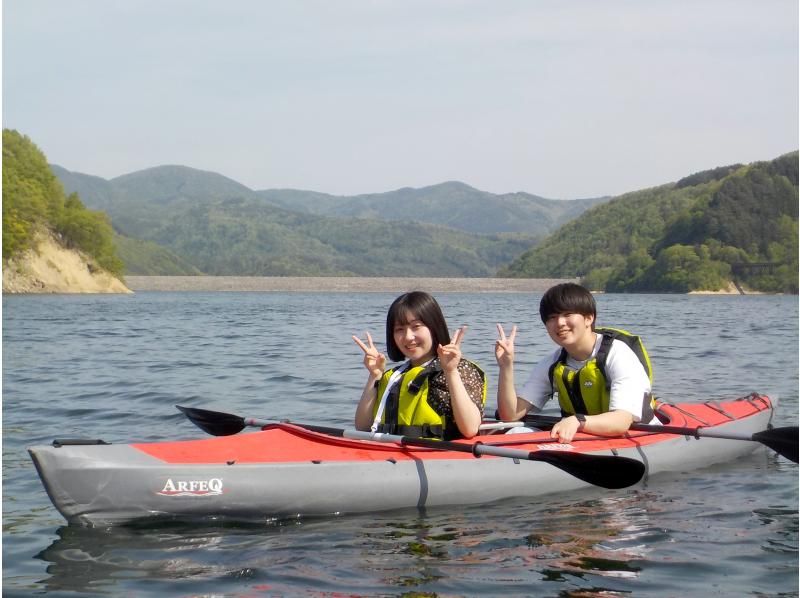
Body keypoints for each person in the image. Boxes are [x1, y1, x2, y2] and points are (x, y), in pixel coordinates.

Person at [495, 282, 656, 443]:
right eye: (552, 317)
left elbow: (621, 421)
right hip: (584, 436)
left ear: (589, 318)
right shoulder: (551, 363)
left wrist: (577, 421)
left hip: (636, 435)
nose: (559, 323)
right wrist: (506, 366)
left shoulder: (618, 354)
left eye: (567, 314)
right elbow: (511, 415)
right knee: (517, 430)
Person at [353, 291, 486, 440]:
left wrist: (450, 371)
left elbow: (470, 429)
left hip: (437, 456)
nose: (408, 337)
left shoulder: (461, 369)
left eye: (416, 326)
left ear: (434, 327)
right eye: (399, 329)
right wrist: (375, 375)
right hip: (393, 453)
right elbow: (363, 427)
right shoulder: (394, 376)